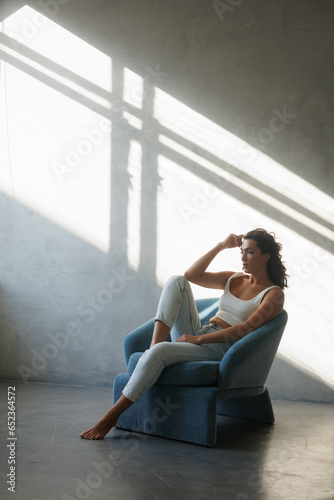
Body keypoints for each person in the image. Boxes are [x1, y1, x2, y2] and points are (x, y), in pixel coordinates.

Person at [80, 228, 287, 440]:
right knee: (177, 280)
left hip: (221, 347)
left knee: (161, 352)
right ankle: (154, 347)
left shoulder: (273, 295)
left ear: (266, 256)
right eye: (241, 252)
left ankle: (111, 416)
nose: (243, 257)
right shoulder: (234, 279)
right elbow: (192, 275)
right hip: (203, 333)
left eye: (250, 252)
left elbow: (245, 330)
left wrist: (199, 339)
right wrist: (221, 246)